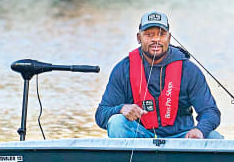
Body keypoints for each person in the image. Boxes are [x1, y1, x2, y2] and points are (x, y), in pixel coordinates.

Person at [95, 11, 222, 139]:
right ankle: (129, 160)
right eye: (149, 35)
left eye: (161, 34)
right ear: (139, 38)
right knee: (117, 123)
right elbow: (101, 114)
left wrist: (199, 130)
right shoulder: (123, 69)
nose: (156, 39)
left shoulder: (189, 70)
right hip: (141, 136)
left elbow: (211, 112)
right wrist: (121, 109)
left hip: (183, 138)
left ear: (169, 37)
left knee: (214, 137)